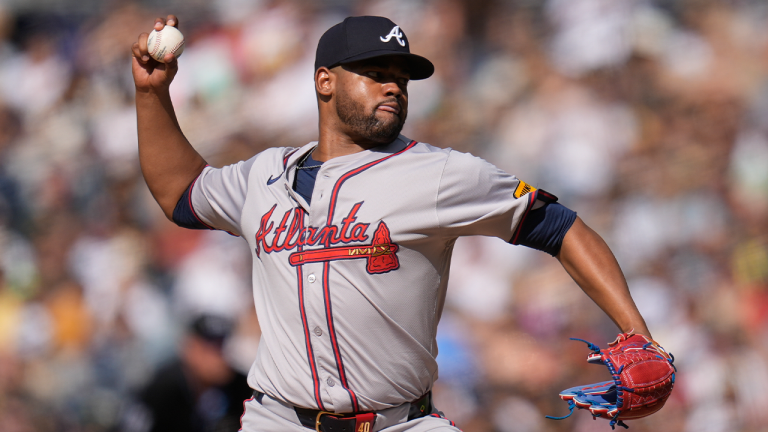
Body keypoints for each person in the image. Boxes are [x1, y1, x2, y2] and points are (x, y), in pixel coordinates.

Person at [132, 15, 652, 432]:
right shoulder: (262, 175)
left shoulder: (442, 173)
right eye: (377, 73)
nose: (394, 88)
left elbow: (561, 228)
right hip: (279, 419)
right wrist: (153, 95)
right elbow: (179, 192)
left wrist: (637, 334)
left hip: (400, 422)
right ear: (325, 81)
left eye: (401, 78)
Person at [125, 315, 252, 432]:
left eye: (222, 345)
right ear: (190, 347)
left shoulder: (242, 387)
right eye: (210, 348)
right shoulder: (162, 390)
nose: (219, 356)